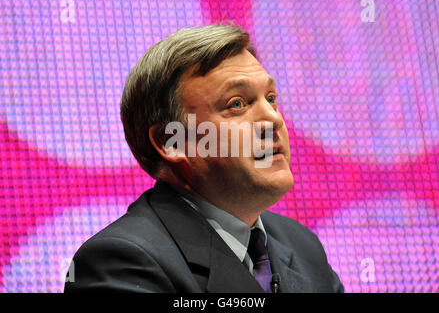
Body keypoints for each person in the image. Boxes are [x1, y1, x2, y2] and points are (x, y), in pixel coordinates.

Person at [64, 24, 344, 293]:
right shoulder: (120, 262)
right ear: (171, 141)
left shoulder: (301, 245)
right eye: (237, 104)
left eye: (270, 98)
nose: (273, 119)